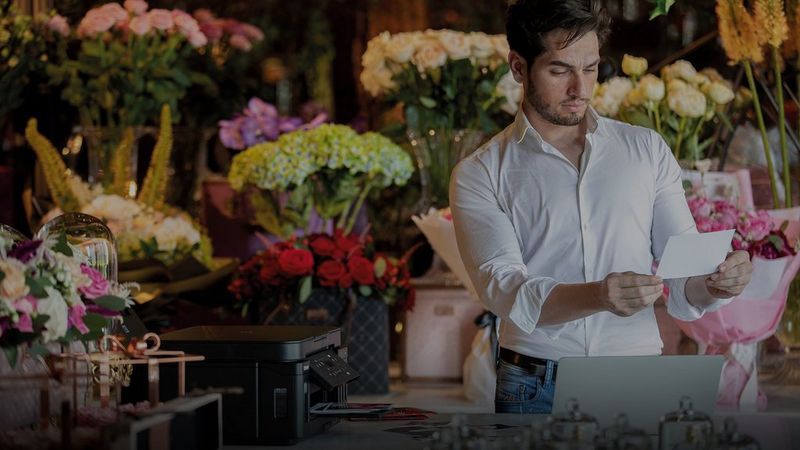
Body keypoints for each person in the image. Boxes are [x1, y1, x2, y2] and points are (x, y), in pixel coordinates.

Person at [449, 0, 753, 414]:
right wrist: (597, 296)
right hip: (535, 381)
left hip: (638, 374)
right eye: (560, 71)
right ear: (518, 67)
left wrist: (716, 285)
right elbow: (503, 288)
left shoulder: (645, 148)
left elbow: (683, 276)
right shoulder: (480, 172)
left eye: (590, 68)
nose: (580, 89)